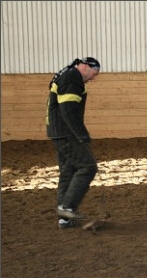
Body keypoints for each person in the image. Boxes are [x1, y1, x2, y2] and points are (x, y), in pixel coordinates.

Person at [46, 57, 101, 228]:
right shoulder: (72, 78)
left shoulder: (66, 75)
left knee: (68, 171)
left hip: (58, 131)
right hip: (66, 132)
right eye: (94, 73)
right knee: (88, 166)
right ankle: (66, 207)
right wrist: (81, 134)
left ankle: (64, 218)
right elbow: (68, 110)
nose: (93, 78)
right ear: (85, 67)